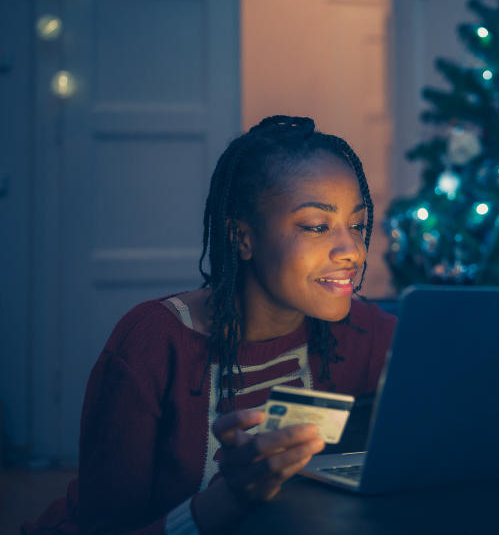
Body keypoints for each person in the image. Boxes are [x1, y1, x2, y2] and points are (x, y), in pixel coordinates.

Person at [23, 115, 397, 534]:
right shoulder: (152, 344)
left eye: (358, 225)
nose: (352, 251)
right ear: (242, 237)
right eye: (316, 226)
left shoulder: (368, 333)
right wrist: (230, 497)